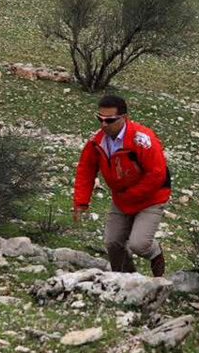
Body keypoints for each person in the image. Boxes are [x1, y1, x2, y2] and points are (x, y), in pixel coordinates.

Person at [73, 95, 170, 277]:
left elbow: (157, 174)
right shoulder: (97, 142)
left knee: (138, 244)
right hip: (122, 198)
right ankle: (122, 278)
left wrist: (132, 195)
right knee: (112, 243)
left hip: (151, 198)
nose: (103, 124)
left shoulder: (142, 140)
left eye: (109, 120)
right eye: (100, 119)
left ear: (124, 117)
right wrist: (81, 202)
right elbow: (86, 170)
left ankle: (156, 254)